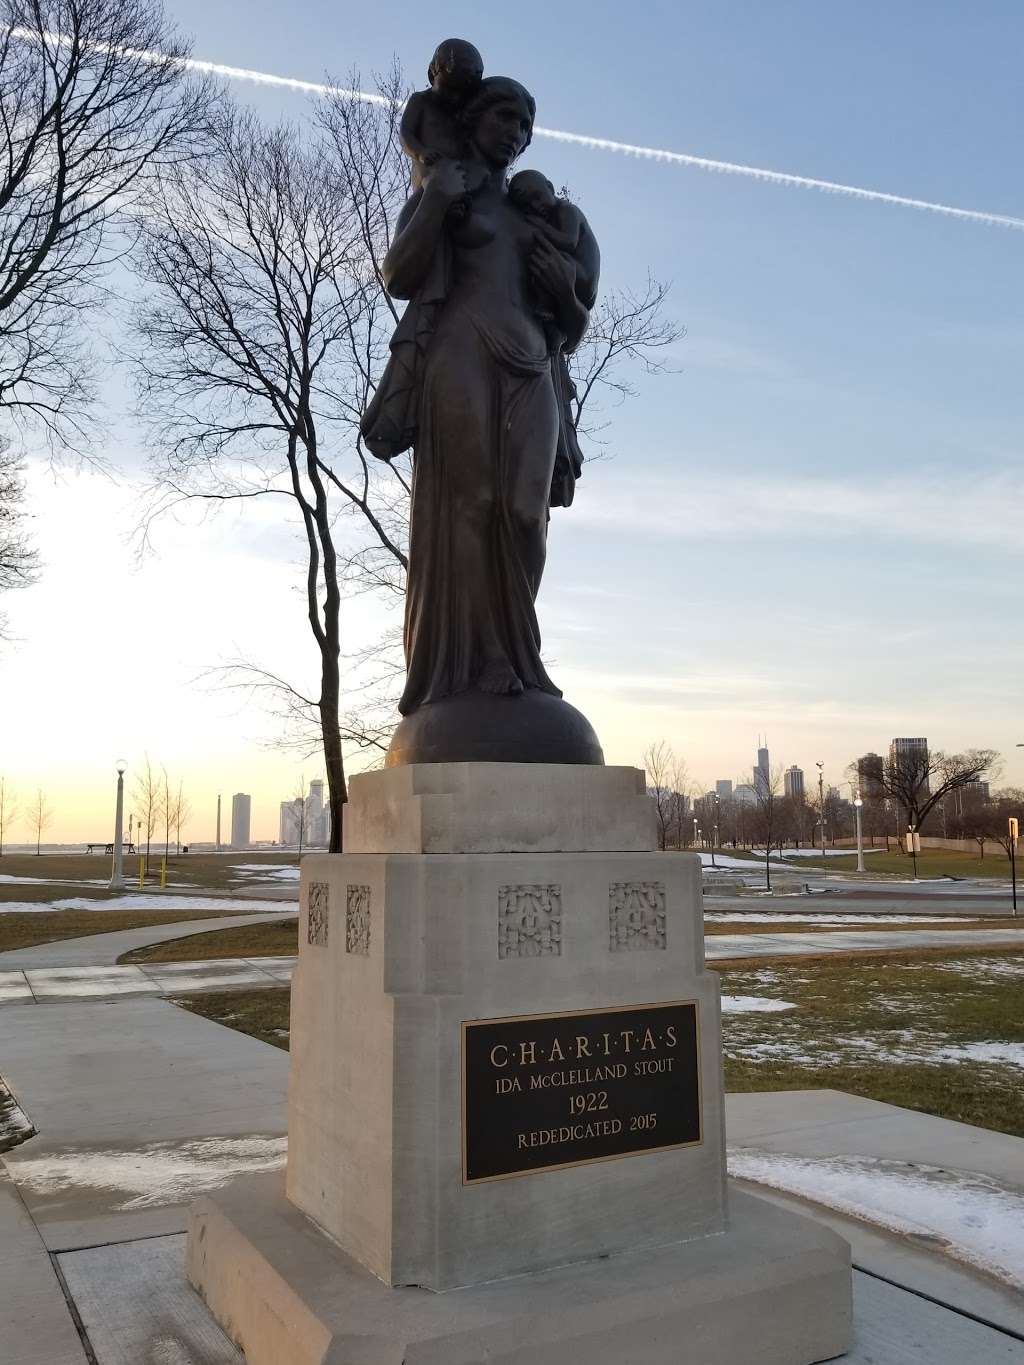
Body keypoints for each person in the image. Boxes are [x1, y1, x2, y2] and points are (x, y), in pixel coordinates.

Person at [362, 75, 598, 713]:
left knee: (527, 513)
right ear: (473, 121)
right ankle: (486, 659)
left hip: (532, 365)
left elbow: (573, 328)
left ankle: (521, 646)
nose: (516, 132)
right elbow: (400, 274)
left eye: (525, 124)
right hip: (460, 355)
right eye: (504, 116)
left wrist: (568, 294)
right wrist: (436, 201)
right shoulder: (448, 190)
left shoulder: (536, 214)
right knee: (474, 505)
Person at [399, 39, 484, 188]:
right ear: (434, 72)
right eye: (449, 90)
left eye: (461, 94)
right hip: (429, 171)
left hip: (460, 174)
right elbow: (405, 132)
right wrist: (420, 152)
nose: (454, 98)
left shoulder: (465, 111)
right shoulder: (421, 100)